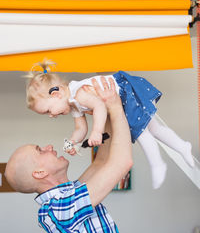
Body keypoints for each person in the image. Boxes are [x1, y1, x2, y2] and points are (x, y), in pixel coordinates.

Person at [5, 78, 136, 233]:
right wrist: (115, 107)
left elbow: (101, 160)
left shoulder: (70, 194)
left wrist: (104, 110)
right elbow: (122, 162)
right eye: (40, 150)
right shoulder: (60, 209)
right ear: (39, 173)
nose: (48, 146)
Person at [25, 60, 194, 189]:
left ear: (56, 94)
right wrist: (72, 142)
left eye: (48, 110)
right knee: (154, 129)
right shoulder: (73, 104)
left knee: (141, 132)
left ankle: (157, 164)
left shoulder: (80, 93)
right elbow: (80, 128)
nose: (51, 115)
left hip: (125, 92)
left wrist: (97, 131)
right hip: (122, 98)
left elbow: (99, 106)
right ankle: (182, 146)